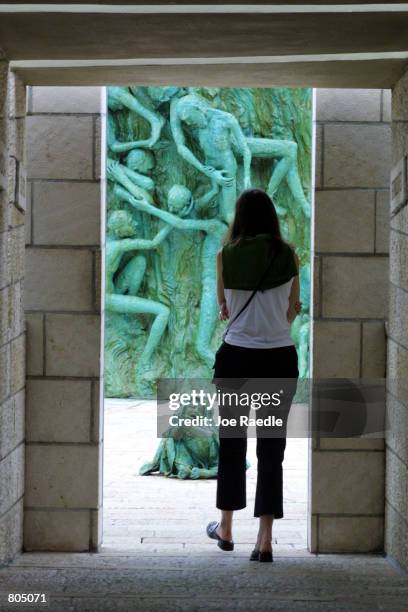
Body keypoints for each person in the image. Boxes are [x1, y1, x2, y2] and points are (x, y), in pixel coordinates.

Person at [206, 188, 301, 563]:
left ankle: (226, 527)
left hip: (236, 361)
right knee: (271, 450)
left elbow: (224, 309)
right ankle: (264, 540)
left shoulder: (225, 256)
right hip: (278, 359)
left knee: (231, 444)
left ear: (240, 217)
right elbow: (293, 311)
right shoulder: (288, 255)